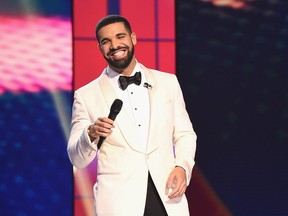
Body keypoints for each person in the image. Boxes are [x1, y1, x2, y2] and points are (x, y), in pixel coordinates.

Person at [67, 14, 197, 216]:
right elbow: (77, 158)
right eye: (106, 41)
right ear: (100, 47)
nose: (115, 45)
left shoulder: (168, 82)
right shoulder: (86, 95)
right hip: (119, 205)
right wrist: (90, 133)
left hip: (168, 197)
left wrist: (182, 167)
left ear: (133, 38)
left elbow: (185, 134)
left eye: (120, 36)